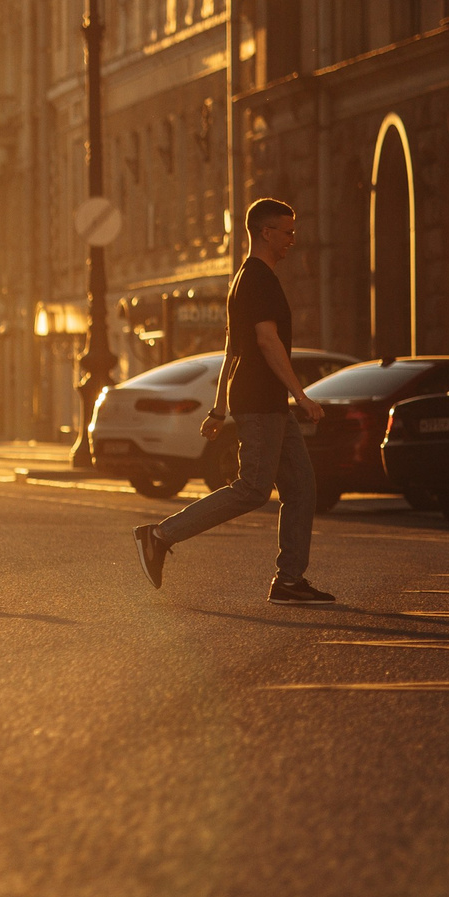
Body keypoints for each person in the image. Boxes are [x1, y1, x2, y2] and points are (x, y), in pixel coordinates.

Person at [132, 197, 336, 605]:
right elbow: (264, 341)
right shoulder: (257, 279)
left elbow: (231, 350)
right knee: (252, 490)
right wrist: (301, 394)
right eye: (288, 232)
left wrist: (219, 407)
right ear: (266, 232)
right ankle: (158, 536)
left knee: (302, 488)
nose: (293, 240)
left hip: (267, 403)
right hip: (262, 403)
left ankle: (289, 581)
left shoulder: (246, 278)